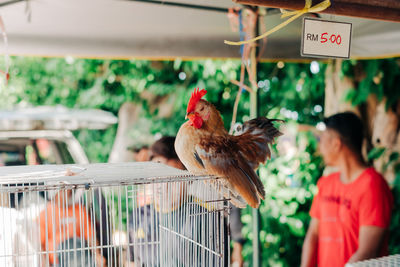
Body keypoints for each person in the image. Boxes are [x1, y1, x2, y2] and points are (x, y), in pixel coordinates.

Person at [301, 112, 393, 267]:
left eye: (322, 140)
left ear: (336, 144)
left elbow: (367, 253)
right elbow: (313, 234)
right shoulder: (325, 183)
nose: (319, 148)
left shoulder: (373, 185)